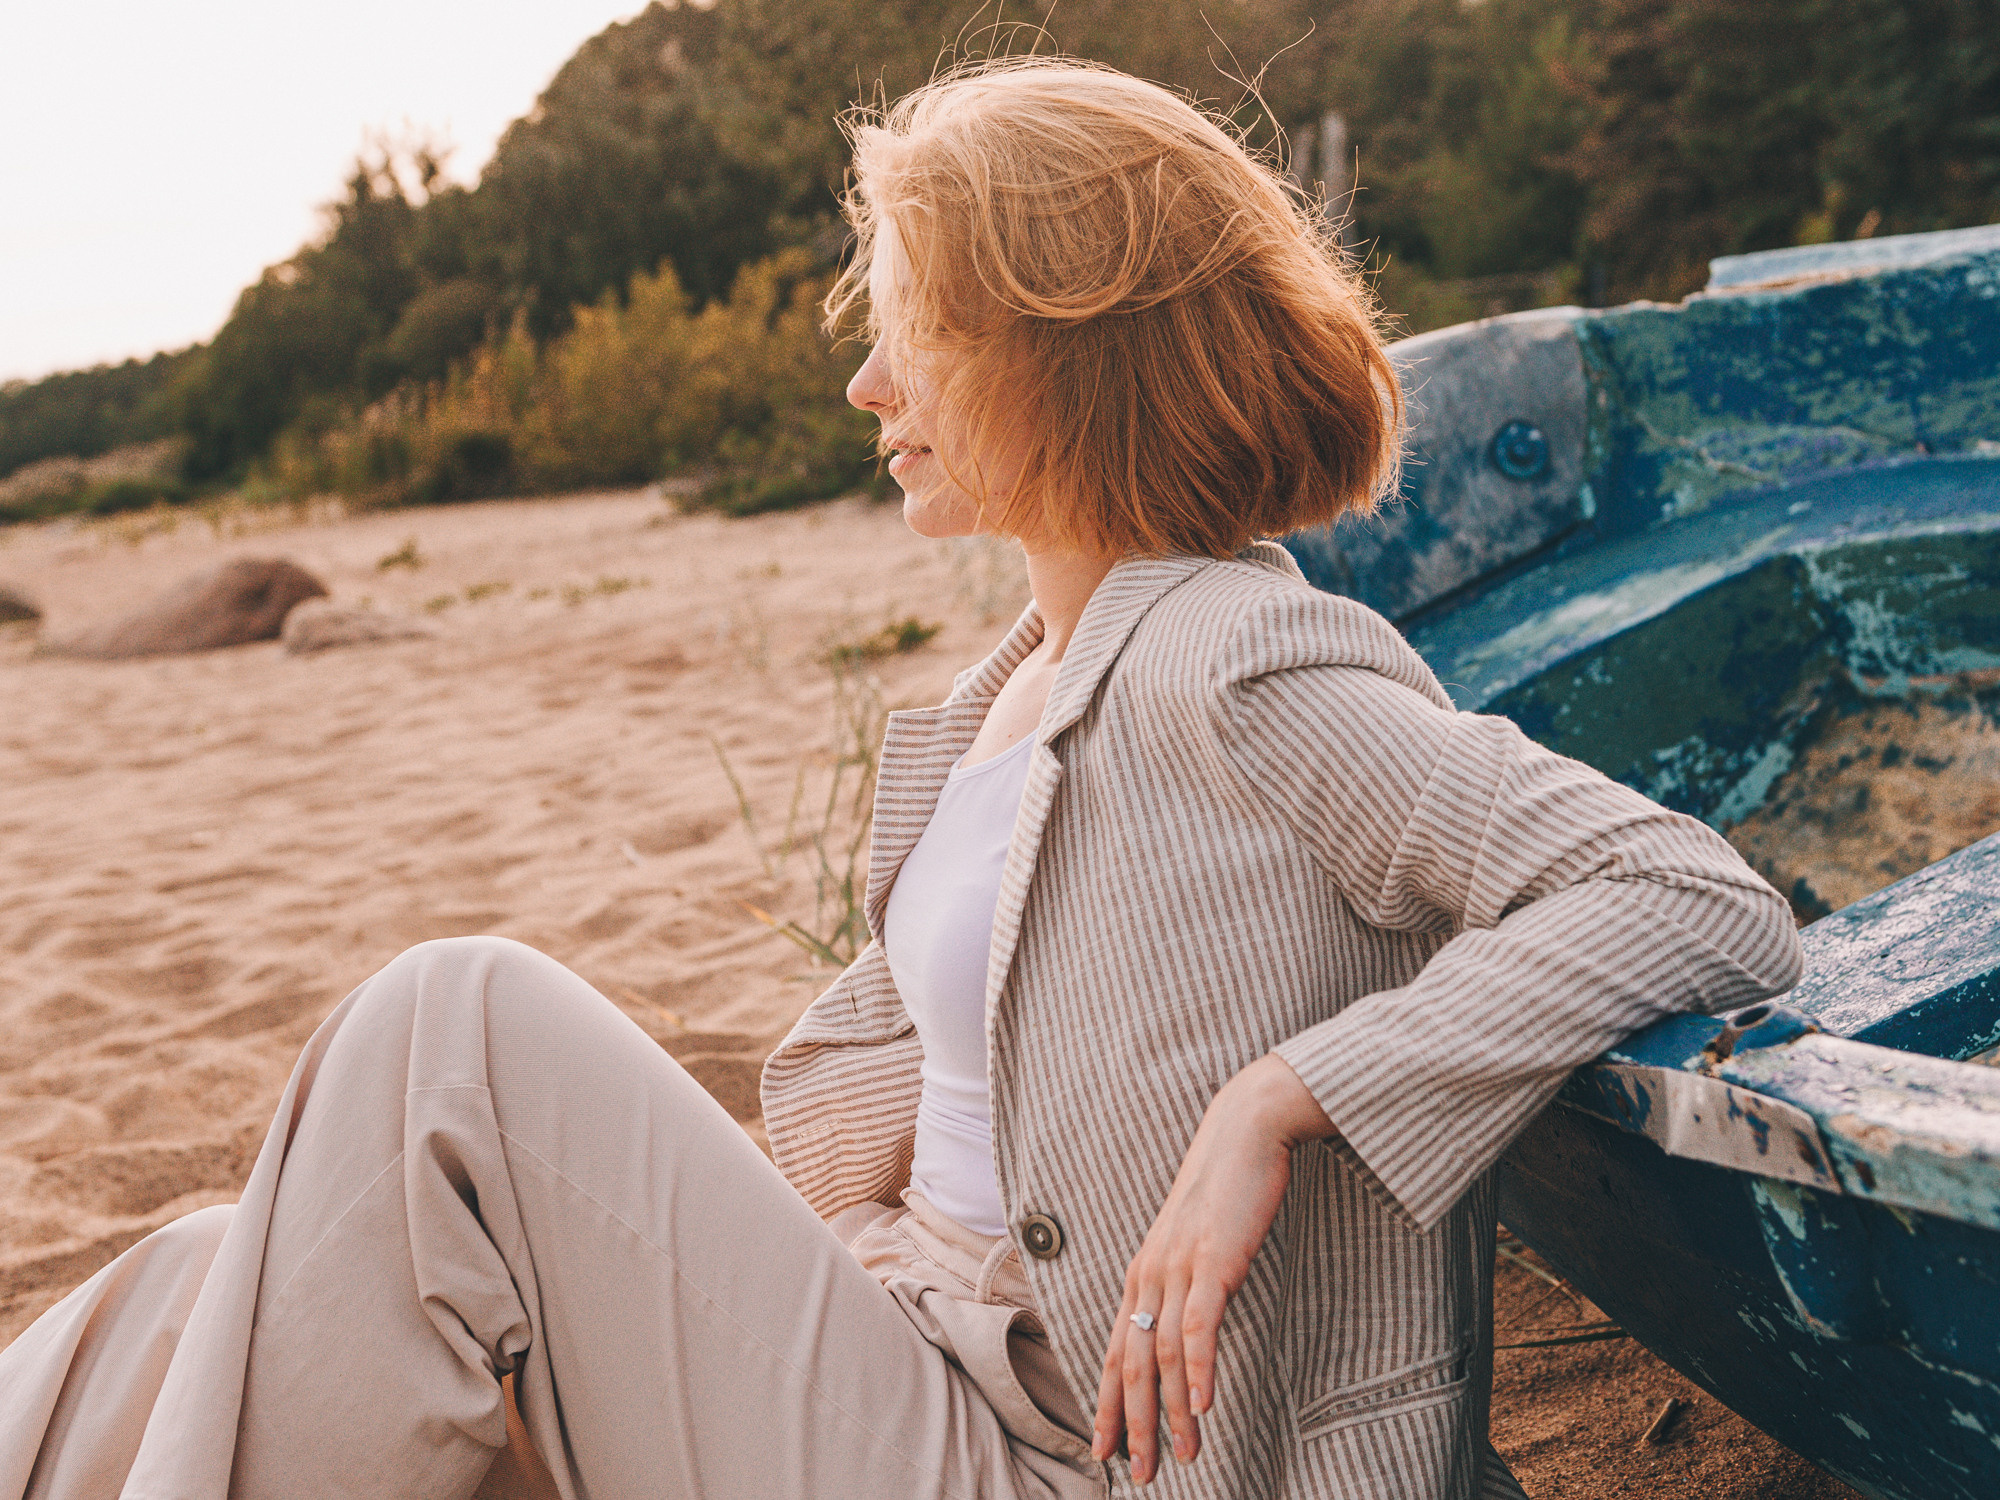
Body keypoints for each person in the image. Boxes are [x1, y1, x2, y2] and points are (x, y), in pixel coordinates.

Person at [0, 58, 1802, 1500]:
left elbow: (1691, 897)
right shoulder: (1002, 699)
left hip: (1073, 1458)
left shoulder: (1243, 659)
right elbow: (914, 1132)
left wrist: (1288, 1095)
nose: (869, 381)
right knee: (218, 1267)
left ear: (1059, 353)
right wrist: (839, 1263)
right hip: (914, 1369)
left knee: (445, 1030)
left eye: (916, 329)